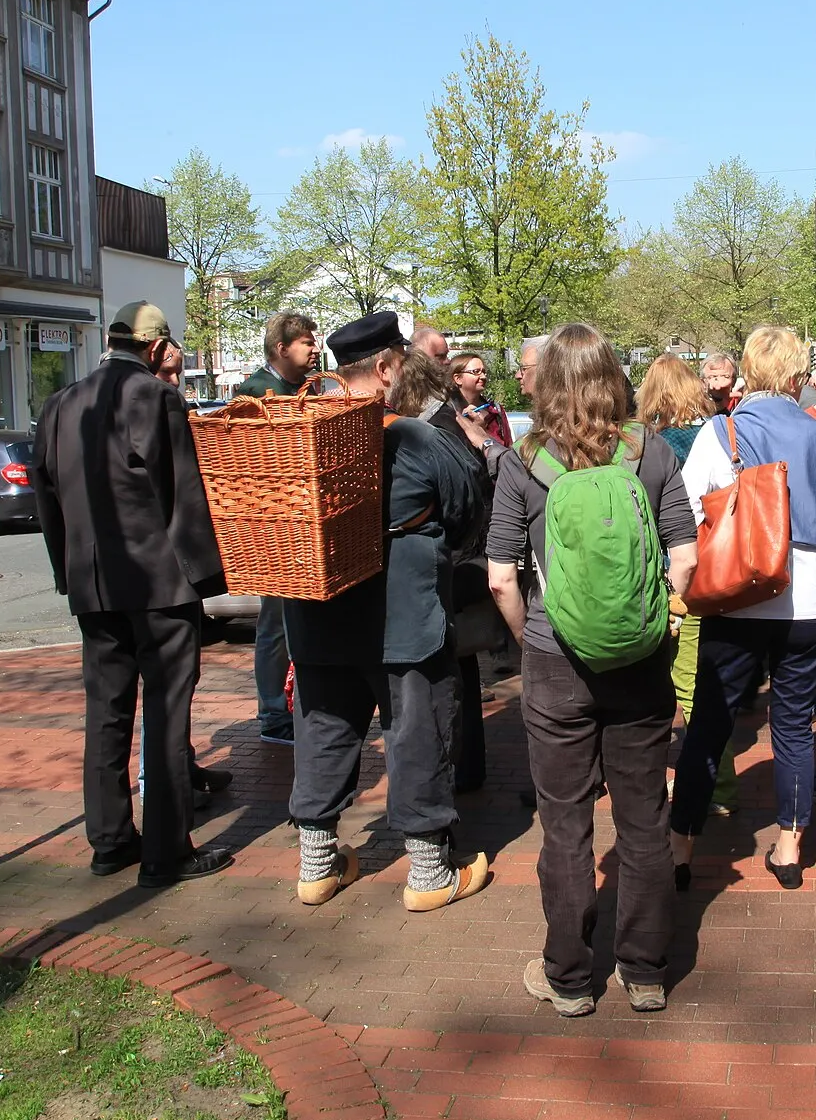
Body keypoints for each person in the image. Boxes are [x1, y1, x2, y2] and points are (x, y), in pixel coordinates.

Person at [487, 324, 699, 1017]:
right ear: (615, 376)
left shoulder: (522, 460)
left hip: (554, 663)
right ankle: (643, 971)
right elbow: (686, 561)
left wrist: (530, 640)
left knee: (566, 824)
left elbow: (499, 577)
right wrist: (662, 626)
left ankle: (571, 976)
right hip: (639, 664)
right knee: (643, 820)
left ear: (545, 381)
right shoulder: (651, 451)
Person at [283, 312, 493, 911]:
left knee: (322, 729)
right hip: (405, 617)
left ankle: (317, 869)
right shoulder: (411, 434)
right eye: (400, 365)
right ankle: (429, 876)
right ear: (383, 369)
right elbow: (466, 507)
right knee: (416, 732)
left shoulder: (297, 437)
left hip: (319, 618)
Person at [34, 301, 234, 888]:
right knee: (167, 715)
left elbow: (48, 503)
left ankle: (110, 840)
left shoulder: (62, 403)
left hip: (92, 585)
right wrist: (207, 578)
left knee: (107, 713)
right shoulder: (153, 396)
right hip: (158, 585)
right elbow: (182, 493)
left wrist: (66, 572)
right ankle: (167, 852)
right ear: (154, 348)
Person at [670, 326, 816, 890]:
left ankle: (680, 847)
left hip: (737, 597)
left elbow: (682, 510)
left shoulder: (724, 431)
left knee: (709, 725)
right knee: (792, 724)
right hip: (808, 599)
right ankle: (789, 846)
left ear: (747, 372)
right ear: (796, 377)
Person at [389, 351, 501, 793]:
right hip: (447, 568)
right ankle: (464, 768)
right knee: (455, 679)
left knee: (446, 682)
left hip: (443, 573)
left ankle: (459, 772)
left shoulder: (431, 429)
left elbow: (467, 504)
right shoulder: (440, 424)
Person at [637, 354, 739, 815]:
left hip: (662, 572)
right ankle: (714, 782)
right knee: (698, 680)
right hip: (710, 568)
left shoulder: (646, 443)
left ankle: (687, 784)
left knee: (663, 679)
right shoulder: (716, 432)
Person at [233, 310, 319, 746]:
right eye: (306, 341)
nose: (314, 347)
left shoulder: (304, 387)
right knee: (276, 623)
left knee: (295, 622)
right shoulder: (256, 393)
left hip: (304, 522)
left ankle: (296, 705)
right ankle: (272, 713)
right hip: (276, 526)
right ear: (281, 348)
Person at [450, 351, 514, 447]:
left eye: (484, 372)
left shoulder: (495, 410)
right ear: (458, 378)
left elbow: (508, 448)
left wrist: (483, 431)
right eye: (476, 372)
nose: (483, 377)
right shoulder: (448, 413)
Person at [699, 352, 737, 416]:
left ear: (734, 381)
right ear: (703, 382)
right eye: (713, 377)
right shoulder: (694, 411)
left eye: (725, 376)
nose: (719, 382)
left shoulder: (741, 404)